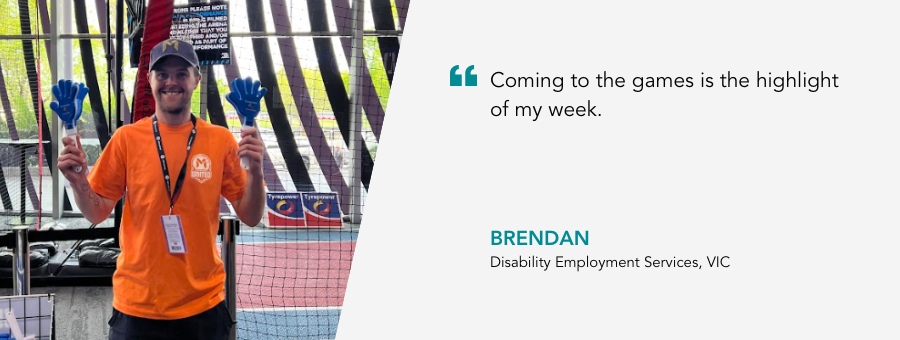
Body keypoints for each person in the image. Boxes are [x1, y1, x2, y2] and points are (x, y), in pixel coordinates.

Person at [57, 38, 265, 339]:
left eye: (181, 73)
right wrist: (78, 183)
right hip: (137, 306)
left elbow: (251, 215)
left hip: (202, 306)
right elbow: (96, 211)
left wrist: (256, 173)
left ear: (196, 79)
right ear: (149, 79)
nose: (171, 82)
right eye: (162, 73)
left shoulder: (220, 141)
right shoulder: (126, 139)